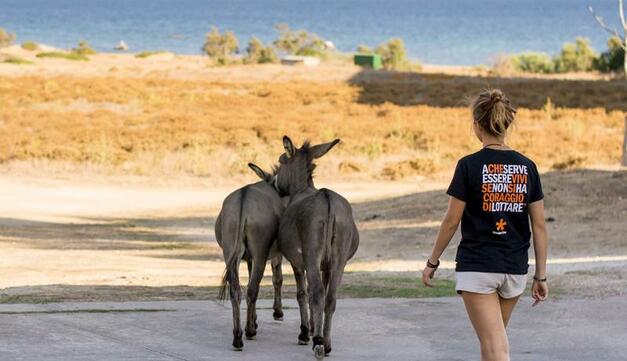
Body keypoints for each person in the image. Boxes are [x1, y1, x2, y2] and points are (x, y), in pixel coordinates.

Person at [422, 89, 549, 361]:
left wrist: (433, 262)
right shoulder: (528, 167)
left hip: (478, 267)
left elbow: (451, 221)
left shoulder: (468, 166)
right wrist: (540, 275)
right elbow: (539, 225)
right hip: (514, 269)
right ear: (506, 125)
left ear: (477, 126)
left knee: (495, 348)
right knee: (492, 343)